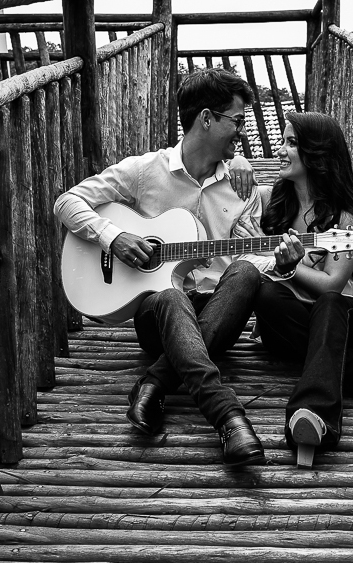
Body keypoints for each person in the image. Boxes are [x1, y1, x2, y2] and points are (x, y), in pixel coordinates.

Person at [54, 69, 266, 466]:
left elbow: (251, 252)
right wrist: (112, 237)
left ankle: (155, 382)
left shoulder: (241, 184)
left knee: (247, 274)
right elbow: (67, 202)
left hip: (215, 309)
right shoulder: (143, 170)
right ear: (207, 118)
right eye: (236, 120)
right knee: (169, 294)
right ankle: (228, 416)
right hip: (156, 313)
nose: (241, 131)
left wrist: (288, 259)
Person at [248, 112, 353, 468]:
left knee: (327, 303)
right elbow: (224, 190)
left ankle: (312, 414)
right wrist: (235, 160)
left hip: (341, 317)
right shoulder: (270, 201)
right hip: (289, 324)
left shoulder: (344, 221)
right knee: (264, 295)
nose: (280, 150)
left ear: (317, 154)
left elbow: (333, 284)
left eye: (291, 143)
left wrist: (292, 267)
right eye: (282, 140)